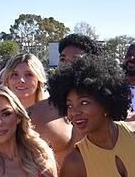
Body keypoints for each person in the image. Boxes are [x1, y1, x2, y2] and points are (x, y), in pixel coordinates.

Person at [28, 33, 102, 167]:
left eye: (76, 59)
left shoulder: (106, 110)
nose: (67, 64)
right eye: (63, 59)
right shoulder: (36, 113)